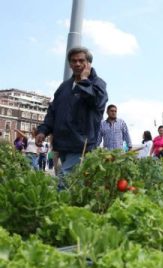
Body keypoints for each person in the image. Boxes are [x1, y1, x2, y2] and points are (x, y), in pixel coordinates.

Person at [36, 47, 108, 187]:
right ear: (69, 64)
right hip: (63, 144)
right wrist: (43, 131)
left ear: (88, 63)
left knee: (63, 181)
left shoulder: (97, 84)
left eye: (81, 60)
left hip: (82, 144)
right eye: (73, 61)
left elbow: (97, 102)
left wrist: (85, 80)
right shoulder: (64, 87)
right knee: (74, 184)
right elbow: (53, 112)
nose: (77, 64)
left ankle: (60, 208)